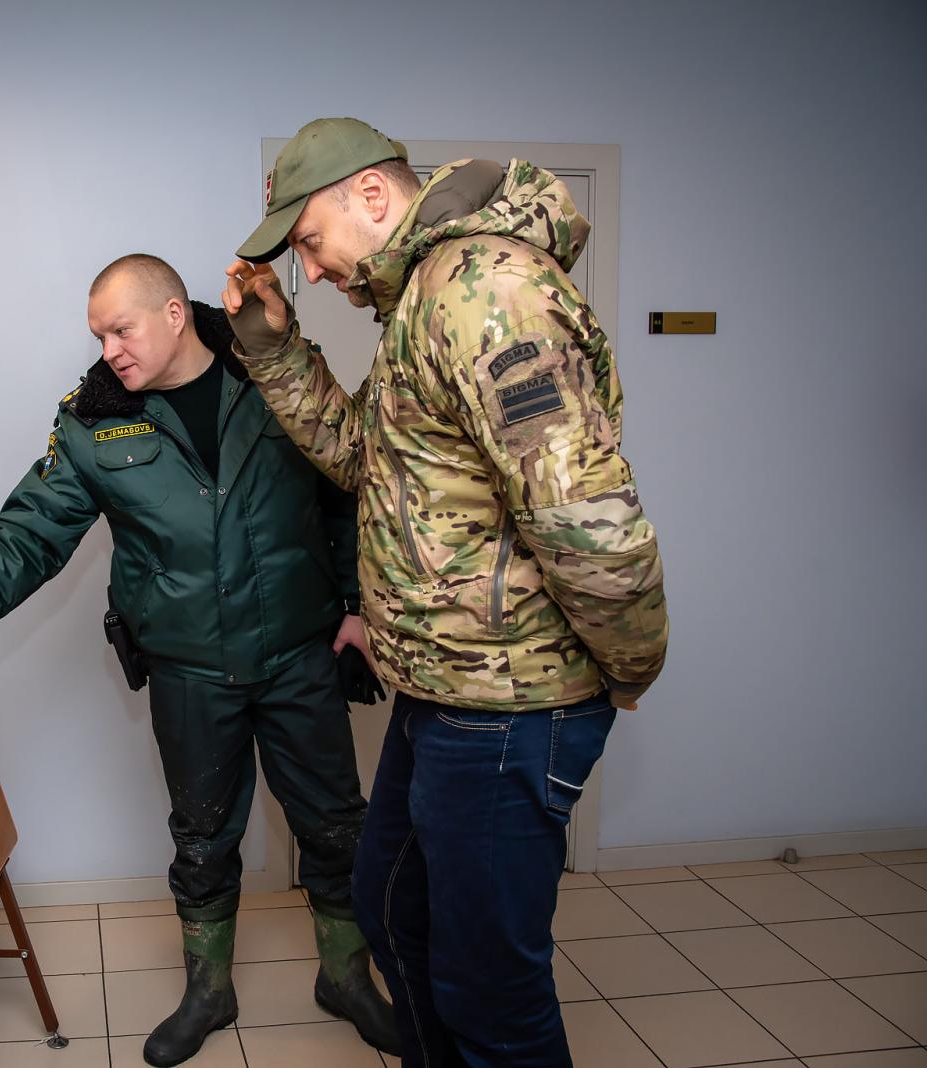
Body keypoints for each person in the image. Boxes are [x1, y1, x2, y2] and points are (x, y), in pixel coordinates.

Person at [223, 118, 669, 1066]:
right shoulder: (423, 299)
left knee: (489, 987)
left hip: (507, 704)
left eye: (309, 241)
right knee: (394, 916)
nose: (309, 269)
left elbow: (582, 517)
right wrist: (273, 347)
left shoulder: (484, 292)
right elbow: (362, 459)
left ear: (372, 198)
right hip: (443, 693)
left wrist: (627, 667)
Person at [0, 254, 400, 1065]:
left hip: (299, 654)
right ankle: (208, 990)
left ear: (173, 314)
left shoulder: (274, 372)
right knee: (200, 836)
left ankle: (347, 977)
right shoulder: (95, 420)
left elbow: (345, 492)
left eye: (120, 329)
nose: (108, 349)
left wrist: (354, 607)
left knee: (337, 828)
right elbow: (29, 529)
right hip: (191, 670)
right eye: (97, 334)